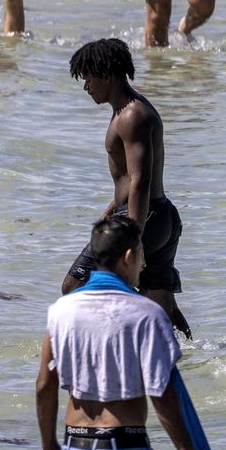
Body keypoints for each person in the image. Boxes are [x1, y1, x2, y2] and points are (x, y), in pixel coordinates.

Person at [35, 215, 205, 450]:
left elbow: (45, 386)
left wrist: (49, 449)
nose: (142, 266)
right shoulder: (146, 313)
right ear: (129, 256)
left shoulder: (62, 310)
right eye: (141, 256)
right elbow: (162, 393)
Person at [62, 38, 192, 340]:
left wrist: (132, 234)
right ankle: (188, 358)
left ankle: (99, 345)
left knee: (74, 286)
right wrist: (110, 209)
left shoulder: (132, 115)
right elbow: (129, 179)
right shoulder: (125, 111)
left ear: (106, 75)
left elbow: (140, 180)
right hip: (157, 216)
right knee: (159, 304)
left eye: (88, 78)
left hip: (142, 217)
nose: (86, 86)